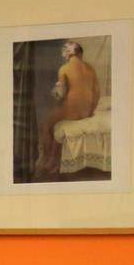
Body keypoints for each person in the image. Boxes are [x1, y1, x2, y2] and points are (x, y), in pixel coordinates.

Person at [35, 39, 100, 179]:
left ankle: (46, 160)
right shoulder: (90, 68)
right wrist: (90, 111)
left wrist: (54, 91)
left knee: (45, 125)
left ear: (68, 54)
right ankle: (54, 161)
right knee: (53, 122)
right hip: (86, 112)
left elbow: (60, 95)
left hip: (71, 111)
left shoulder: (64, 69)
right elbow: (97, 93)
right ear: (80, 54)